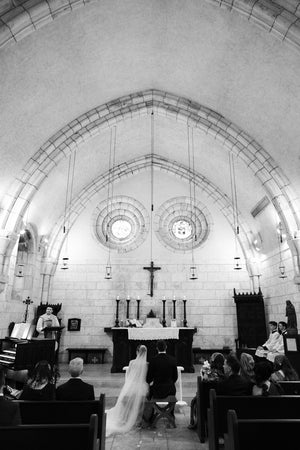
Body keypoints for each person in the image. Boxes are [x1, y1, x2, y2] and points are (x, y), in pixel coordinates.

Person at [106, 345, 148, 436]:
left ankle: (127, 416)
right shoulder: (146, 364)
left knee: (126, 398)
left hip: (132, 387)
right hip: (142, 388)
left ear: (137, 352)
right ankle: (144, 418)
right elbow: (147, 378)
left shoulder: (132, 362)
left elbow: (129, 377)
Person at [188, 352, 225, 430]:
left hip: (207, 401)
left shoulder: (209, 373)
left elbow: (204, 384)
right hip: (223, 401)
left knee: (194, 400)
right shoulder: (226, 374)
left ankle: (194, 422)